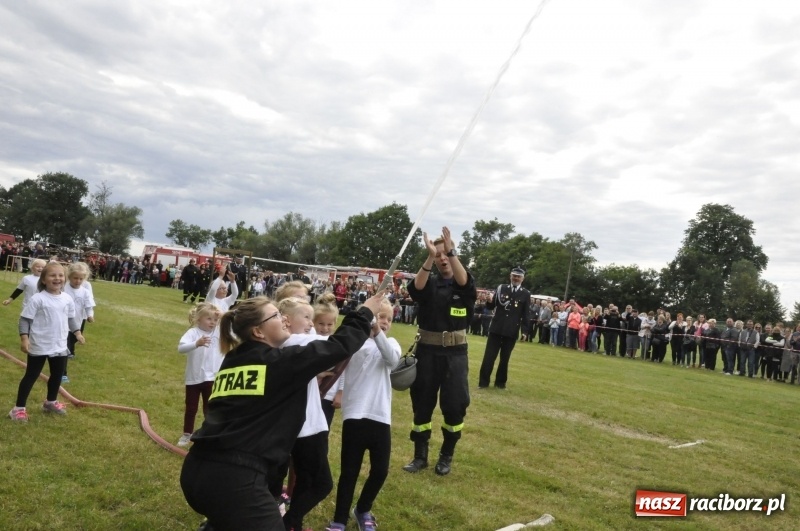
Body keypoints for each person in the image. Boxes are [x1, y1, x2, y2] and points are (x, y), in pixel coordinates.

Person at [180, 292, 384, 531]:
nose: (285, 319)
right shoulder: (281, 362)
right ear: (258, 331)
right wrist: (364, 313)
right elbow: (338, 346)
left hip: (197, 470)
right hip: (236, 480)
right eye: (276, 315)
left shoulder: (233, 360)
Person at [403, 227, 476, 477]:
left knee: (455, 405)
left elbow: (464, 282)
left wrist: (450, 250)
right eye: (438, 255)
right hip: (427, 352)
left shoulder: (464, 283)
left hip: (455, 354)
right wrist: (429, 255)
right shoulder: (429, 283)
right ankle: (420, 456)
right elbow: (416, 288)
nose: (442, 258)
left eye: (446, 254)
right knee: (422, 403)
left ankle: (446, 455)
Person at [326, 299, 400, 531]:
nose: (384, 322)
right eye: (380, 317)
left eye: (388, 319)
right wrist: (339, 391)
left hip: (380, 415)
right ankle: (339, 519)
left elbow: (392, 360)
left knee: (380, 470)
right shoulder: (355, 343)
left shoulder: (391, 343)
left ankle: (362, 508)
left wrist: (377, 332)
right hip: (354, 413)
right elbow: (341, 369)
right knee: (349, 471)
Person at [277, 296, 334, 531]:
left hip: (304, 426)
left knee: (305, 479)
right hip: (307, 428)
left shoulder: (288, 343)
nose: (312, 323)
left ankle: (293, 524)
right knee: (322, 484)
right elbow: (334, 344)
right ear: (286, 321)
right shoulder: (294, 341)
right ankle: (288, 522)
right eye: (307, 317)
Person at [8, 262, 85, 421]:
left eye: (60, 275)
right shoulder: (38, 299)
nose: (57, 278)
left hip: (60, 345)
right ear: (43, 280)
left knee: (57, 375)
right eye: (52, 275)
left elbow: (71, 318)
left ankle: (50, 402)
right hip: (40, 344)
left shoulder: (67, 299)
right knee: (31, 375)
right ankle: (18, 409)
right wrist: (24, 338)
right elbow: (24, 320)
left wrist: (77, 333)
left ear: (64, 278)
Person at [176, 303, 222, 447]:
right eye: (209, 319)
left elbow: (235, 323)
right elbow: (181, 348)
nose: (212, 322)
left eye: (215, 319)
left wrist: (222, 316)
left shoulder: (218, 332)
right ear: (198, 319)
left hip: (211, 378)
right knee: (191, 408)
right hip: (193, 378)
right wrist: (196, 343)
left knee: (209, 408)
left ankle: (208, 434)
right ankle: (187, 434)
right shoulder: (193, 333)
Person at [478, 266, 530, 389]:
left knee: (505, 358)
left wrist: (525, 331)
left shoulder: (525, 294)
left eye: (518, 277)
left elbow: (526, 314)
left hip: (511, 330)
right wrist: (489, 301)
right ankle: (483, 382)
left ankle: (500, 383)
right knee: (489, 357)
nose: (516, 278)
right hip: (496, 328)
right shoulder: (502, 288)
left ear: (522, 279)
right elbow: (491, 307)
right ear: (510, 276)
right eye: (514, 276)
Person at [62, 263, 96, 383]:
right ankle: (63, 373)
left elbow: (88, 306)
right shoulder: (63, 288)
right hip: (63, 322)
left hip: (77, 322)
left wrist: (90, 315)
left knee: (72, 341)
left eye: (81, 279)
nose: (78, 281)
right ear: (69, 277)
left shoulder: (85, 292)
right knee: (65, 347)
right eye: (75, 278)